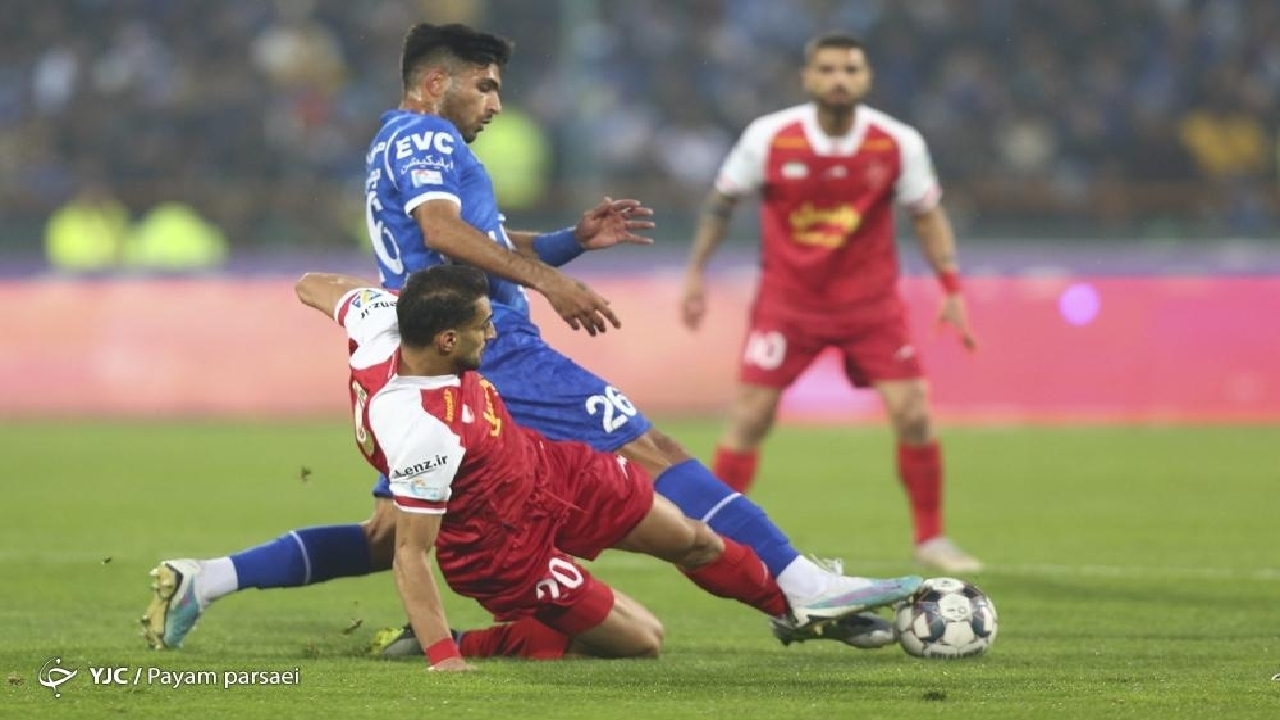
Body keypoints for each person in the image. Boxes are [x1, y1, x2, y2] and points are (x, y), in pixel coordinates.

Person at [141, 23, 913, 655]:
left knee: (388, 535)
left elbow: (471, 236)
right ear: (435, 82)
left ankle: (207, 578)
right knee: (655, 452)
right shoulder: (427, 138)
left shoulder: (398, 143)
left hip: (437, 357)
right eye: (485, 86)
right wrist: (549, 282)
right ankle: (804, 585)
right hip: (495, 345)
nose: (496, 104)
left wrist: (568, 243)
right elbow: (442, 232)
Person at [293, 266, 921, 668]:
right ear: (447, 341)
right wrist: (444, 661)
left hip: (555, 474)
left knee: (697, 540)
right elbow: (411, 553)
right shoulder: (420, 429)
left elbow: (314, 284)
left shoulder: (379, 323)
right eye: (484, 327)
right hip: (501, 544)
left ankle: (799, 608)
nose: (495, 335)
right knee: (644, 641)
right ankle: (463, 640)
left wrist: (387, 300)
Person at [679, 32, 982, 573]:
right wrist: (697, 272)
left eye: (850, 69)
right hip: (788, 303)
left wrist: (951, 288)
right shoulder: (769, 137)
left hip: (870, 304)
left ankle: (931, 537)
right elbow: (721, 203)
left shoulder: (897, 142)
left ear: (866, 78)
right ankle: (708, 533)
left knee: (913, 411)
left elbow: (927, 214)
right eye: (828, 69)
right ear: (808, 77)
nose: (839, 79)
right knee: (750, 417)